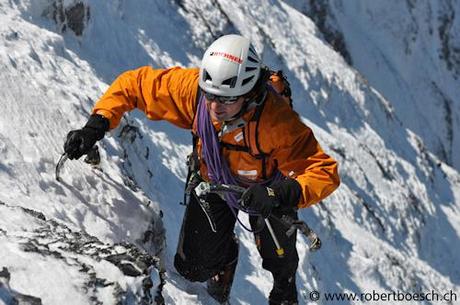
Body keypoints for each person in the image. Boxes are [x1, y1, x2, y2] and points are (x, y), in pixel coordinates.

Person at [64, 34, 340, 305]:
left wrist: (281, 193)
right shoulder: (195, 93)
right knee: (192, 269)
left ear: (250, 93)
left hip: (269, 190)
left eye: (227, 100)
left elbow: (323, 170)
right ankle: (225, 257)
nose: (215, 108)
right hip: (214, 181)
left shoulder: (276, 122)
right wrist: (96, 125)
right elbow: (133, 85)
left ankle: (283, 289)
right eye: (211, 96)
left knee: (280, 265)